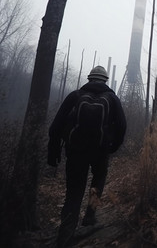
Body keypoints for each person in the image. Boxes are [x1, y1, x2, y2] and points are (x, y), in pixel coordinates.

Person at [47, 65, 127, 247]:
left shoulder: (75, 96)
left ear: (89, 79)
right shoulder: (113, 99)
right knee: (97, 182)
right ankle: (90, 217)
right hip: (100, 152)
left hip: (76, 152)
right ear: (105, 81)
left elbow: (55, 126)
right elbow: (122, 127)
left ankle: (65, 236)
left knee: (74, 192)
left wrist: (53, 153)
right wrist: (112, 147)